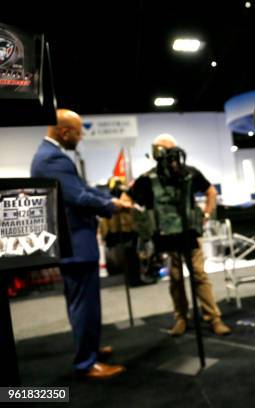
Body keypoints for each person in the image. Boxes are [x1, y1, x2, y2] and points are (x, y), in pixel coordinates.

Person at [30, 109, 129, 379]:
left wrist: (110, 197)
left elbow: (83, 188)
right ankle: (87, 362)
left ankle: (90, 350)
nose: (81, 136)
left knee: (83, 303)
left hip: (75, 243)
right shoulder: (51, 159)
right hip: (75, 244)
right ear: (64, 132)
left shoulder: (50, 156)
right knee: (84, 305)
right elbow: (78, 197)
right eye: (78, 131)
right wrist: (112, 205)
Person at [128, 134, 231, 336]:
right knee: (175, 278)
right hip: (166, 235)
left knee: (199, 275)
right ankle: (181, 318)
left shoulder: (189, 174)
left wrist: (207, 214)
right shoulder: (149, 178)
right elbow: (127, 198)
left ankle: (213, 318)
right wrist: (143, 221)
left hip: (189, 233)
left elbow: (210, 191)